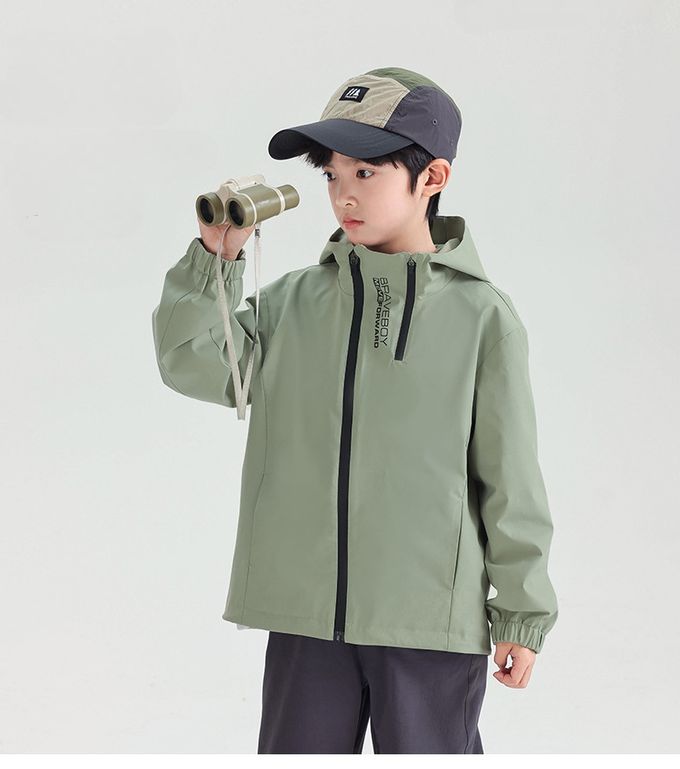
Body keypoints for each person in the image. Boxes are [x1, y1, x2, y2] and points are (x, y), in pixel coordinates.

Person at [151, 66, 558, 754]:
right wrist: (213, 260)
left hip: (428, 624)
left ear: (433, 177)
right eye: (333, 174)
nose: (344, 193)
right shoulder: (292, 304)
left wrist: (522, 611)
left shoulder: (482, 318)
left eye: (366, 172)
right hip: (306, 620)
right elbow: (190, 360)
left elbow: (510, 480)